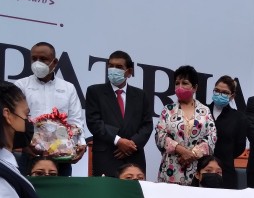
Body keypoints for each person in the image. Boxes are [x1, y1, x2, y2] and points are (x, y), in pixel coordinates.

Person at [15, 42, 86, 174]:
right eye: (34, 58)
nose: (37, 63)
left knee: (61, 193)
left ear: (55, 62)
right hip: (31, 154)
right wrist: (23, 145)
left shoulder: (68, 88)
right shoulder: (21, 85)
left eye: (43, 59)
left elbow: (75, 120)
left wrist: (81, 143)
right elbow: (16, 119)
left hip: (61, 155)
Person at [85, 50, 153, 178]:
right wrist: (118, 141)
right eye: (110, 66)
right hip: (106, 156)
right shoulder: (95, 91)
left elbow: (147, 125)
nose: (113, 69)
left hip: (134, 156)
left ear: (129, 72)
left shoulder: (141, 95)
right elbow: (94, 122)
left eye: (119, 67)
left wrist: (131, 145)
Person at [155, 65, 216, 185]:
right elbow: (159, 135)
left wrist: (192, 154)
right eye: (177, 83)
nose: (180, 87)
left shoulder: (205, 111)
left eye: (185, 83)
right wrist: (181, 150)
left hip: (197, 169)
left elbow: (211, 137)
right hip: (171, 168)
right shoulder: (167, 110)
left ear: (195, 87)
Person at [207, 76, 246, 189]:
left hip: (225, 171)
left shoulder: (239, 117)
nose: (220, 94)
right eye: (217, 91)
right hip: (202, 169)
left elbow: (240, 147)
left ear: (232, 96)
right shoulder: (202, 110)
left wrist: (224, 155)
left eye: (224, 92)